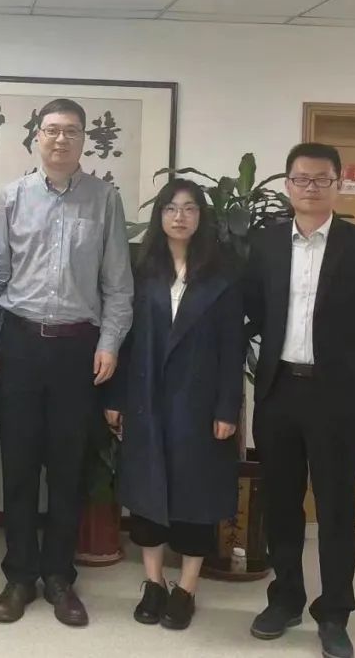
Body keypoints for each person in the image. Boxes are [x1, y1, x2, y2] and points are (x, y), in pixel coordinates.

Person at [246, 142, 355, 658]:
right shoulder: (266, 243)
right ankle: (286, 598)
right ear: (287, 184)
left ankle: (334, 612)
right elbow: (252, 309)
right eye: (301, 179)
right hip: (278, 391)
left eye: (321, 179)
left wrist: (351, 370)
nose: (310, 187)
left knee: (336, 506)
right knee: (281, 503)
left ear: (337, 184)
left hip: (334, 396)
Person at [0, 98, 134, 627]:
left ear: (83, 140)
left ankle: (58, 577)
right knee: (20, 465)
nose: (60, 140)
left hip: (78, 348)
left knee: (68, 467)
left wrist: (109, 343)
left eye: (71, 131)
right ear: (37, 137)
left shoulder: (104, 199)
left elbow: (118, 285)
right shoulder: (11, 197)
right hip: (21, 344)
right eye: (51, 130)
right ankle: (19, 576)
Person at [104, 179, 244, 631]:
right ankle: (153, 583)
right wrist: (116, 398)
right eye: (170, 208)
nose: (179, 217)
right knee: (147, 494)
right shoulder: (141, 270)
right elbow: (124, 340)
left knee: (194, 497)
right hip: (146, 398)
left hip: (198, 404)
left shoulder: (222, 275)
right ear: (159, 215)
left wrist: (227, 408)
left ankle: (186, 587)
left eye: (189, 208)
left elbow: (233, 347)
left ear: (202, 216)